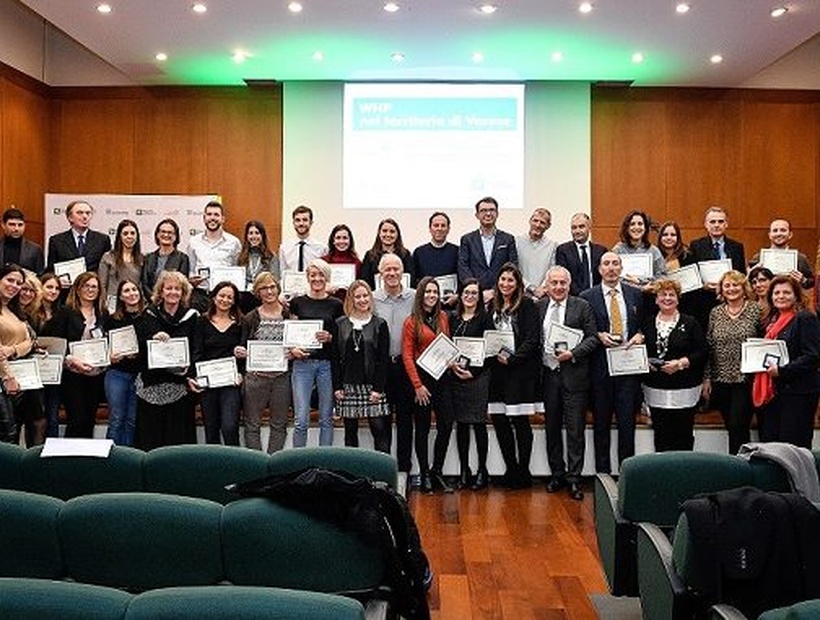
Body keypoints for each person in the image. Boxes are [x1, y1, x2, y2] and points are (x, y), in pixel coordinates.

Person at [580, 252, 645, 473]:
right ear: (599, 269)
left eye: (615, 263)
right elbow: (581, 329)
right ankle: (603, 477)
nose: (611, 268)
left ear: (621, 268)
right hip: (600, 369)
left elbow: (644, 324)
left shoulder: (636, 294)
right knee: (601, 426)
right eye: (606, 264)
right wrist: (598, 335)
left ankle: (627, 477)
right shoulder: (587, 296)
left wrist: (641, 335)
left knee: (627, 426)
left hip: (628, 368)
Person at [539, 266, 598, 500]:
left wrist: (573, 353)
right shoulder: (539, 306)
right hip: (548, 377)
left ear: (569, 284)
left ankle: (574, 478)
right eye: (554, 283)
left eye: (563, 283)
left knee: (575, 430)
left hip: (575, 377)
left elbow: (593, 338)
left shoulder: (581, 306)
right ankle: (557, 474)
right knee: (552, 428)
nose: (558, 287)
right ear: (547, 285)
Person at [487, 262, 541, 488]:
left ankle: (523, 470)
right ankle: (511, 468)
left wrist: (513, 358)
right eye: (503, 279)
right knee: (500, 420)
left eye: (511, 280)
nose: (506, 284)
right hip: (497, 373)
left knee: (520, 421)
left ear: (518, 283)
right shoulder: (492, 306)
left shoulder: (527, 305)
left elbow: (532, 339)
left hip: (519, 372)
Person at [753, 275, 820, 449]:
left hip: (798, 393)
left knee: (792, 447)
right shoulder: (771, 321)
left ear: (796, 295)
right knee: (773, 446)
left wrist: (782, 370)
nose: (781, 296)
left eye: (786, 292)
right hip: (775, 393)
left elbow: (812, 356)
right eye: (776, 293)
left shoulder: (805, 318)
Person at [135, 270, 199, 450]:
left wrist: (189, 373)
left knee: (177, 443)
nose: (173, 292)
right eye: (168, 288)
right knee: (150, 441)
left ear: (183, 292)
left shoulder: (192, 317)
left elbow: (196, 349)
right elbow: (139, 348)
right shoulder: (148, 314)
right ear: (161, 292)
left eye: (177, 289)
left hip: (179, 386)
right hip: (152, 384)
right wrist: (152, 339)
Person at [641, 278, 707, 452]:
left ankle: (684, 468)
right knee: (661, 434)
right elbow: (641, 351)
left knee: (684, 434)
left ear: (678, 299)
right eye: (663, 295)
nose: (667, 298)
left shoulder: (690, 322)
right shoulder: (647, 323)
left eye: (672, 295)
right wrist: (646, 362)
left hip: (684, 389)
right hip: (655, 389)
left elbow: (702, 352)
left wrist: (681, 363)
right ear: (656, 299)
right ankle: (663, 469)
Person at [442, 278, 494, 490]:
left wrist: (473, 372)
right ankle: (465, 469)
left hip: (478, 378)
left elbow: (491, 352)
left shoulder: (485, 319)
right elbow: (446, 345)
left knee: (479, 424)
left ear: (479, 296)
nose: (470, 296)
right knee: (462, 424)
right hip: (456, 377)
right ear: (460, 295)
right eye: (466, 292)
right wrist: (453, 366)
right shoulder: (451, 318)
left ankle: (482, 470)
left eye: (474, 293)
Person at [401, 276, 452, 493]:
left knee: (446, 424)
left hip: (442, 378)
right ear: (420, 295)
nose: (432, 295)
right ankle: (424, 474)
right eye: (428, 292)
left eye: (435, 292)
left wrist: (451, 361)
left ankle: (437, 470)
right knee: (421, 429)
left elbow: (446, 345)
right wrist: (417, 385)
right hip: (422, 381)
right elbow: (407, 356)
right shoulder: (411, 321)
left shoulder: (443, 317)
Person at [702, 270, 760, 455]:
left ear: (744, 288)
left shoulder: (755, 309)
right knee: (731, 426)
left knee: (738, 425)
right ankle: (742, 460)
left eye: (736, 284)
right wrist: (707, 378)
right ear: (721, 290)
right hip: (721, 379)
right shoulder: (716, 312)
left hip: (746, 379)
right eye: (727, 285)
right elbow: (710, 345)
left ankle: (739, 464)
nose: (731, 289)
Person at [288, 258, 343, 447]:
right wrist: (293, 349)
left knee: (326, 419)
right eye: (313, 275)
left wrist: (330, 337)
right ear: (307, 277)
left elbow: (341, 336)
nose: (317, 279)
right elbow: (290, 332)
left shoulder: (336, 304)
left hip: (326, 364)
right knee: (301, 420)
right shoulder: (297, 302)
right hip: (302, 364)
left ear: (327, 277)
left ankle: (324, 461)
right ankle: (297, 461)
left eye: (321, 275)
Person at [333, 280, 392, 453]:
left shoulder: (380, 324)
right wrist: (337, 386)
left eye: (365, 295)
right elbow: (335, 358)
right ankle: (353, 470)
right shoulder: (340, 324)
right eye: (357, 296)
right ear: (351, 299)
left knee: (379, 429)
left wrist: (378, 388)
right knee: (350, 432)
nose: (362, 300)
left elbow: (383, 359)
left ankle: (382, 469)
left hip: (372, 386)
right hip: (348, 386)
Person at [237, 272, 291, 453]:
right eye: (263, 288)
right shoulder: (250, 318)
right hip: (255, 378)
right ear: (257, 292)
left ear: (278, 288)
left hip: (281, 378)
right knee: (252, 424)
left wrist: (294, 351)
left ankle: (274, 462)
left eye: (272, 287)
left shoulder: (289, 314)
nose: (269, 291)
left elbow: (296, 342)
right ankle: (257, 464)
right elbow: (242, 345)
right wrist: (241, 352)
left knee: (279, 424)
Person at [50, 271, 106, 438]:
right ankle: (70, 454)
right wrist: (70, 359)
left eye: (94, 287)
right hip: (72, 374)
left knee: (89, 419)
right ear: (78, 289)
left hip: (95, 374)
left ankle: (86, 454)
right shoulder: (65, 312)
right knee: (76, 419)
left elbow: (108, 340)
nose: (90, 290)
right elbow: (54, 342)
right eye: (86, 286)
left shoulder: (103, 313)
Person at [373, 253, 415, 474]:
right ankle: (384, 471)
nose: (391, 273)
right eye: (387, 269)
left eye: (395, 269)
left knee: (406, 421)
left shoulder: (414, 297)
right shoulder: (371, 299)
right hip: (381, 369)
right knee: (381, 422)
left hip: (406, 367)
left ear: (402, 272)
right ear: (380, 273)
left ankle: (404, 471)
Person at [190, 281, 243, 446]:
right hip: (208, 383)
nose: (225, 300)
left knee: (229, 426)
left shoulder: (240, 323)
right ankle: (213, 462)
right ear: (214, 297)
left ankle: (235, 461)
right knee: (211, 428)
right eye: (222, 295)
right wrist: (196, 377)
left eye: (230, 297)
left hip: (231, 383)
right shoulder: (201, 321)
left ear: (234, 301)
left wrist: (241, 373)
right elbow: (197, 352)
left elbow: (243, 354)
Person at [0, 264, 43, 445]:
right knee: (7, 433)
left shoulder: (13, 310)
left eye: (18, 283)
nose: (14, 286)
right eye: (10, 280)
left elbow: (29, 342)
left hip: (16, 379)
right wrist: (7, 377)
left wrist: (13, 350)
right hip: (5, 378)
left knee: (13, 431)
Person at [688, 206, 746, 329]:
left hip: (730, 300)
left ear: (726, 224)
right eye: (712, 222)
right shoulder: (696, 246)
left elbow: (741, 274)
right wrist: (703, 285)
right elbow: (692, 276)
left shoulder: (737, 247)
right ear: (706, 224)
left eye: (720, 221)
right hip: (704, 300)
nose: (716, 225)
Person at [103, 279, 145, 446]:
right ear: (120, 296)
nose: (132, 293)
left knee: (132, 419)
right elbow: (103, 347)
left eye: (134, 289)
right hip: (117, 373)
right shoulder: (112, 320)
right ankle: (112, 456)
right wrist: (110, 356)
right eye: (126, 291)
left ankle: (128, 456)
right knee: (116, 418)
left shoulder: (148, 318)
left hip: (139, 375)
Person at [458, 196, 518, 302]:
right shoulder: (467, 239)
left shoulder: (508, 239)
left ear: (497, 214)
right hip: (474, 296)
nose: (488, 214)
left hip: (502, 295)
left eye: (492, 210)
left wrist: (495, 291)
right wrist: (476, 290)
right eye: (483, 211)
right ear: (477, 215)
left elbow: (512, 266)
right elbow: (463, 267)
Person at [186, 200, 241, 311]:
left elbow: (237, 268)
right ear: (204, 218)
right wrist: (192, 280)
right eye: (209, 214)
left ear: (222, 219)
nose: (212, 218)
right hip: (200, 296)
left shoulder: (234, 242)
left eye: (216, 215)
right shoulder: (193, 242)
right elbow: (191, 269)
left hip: (225, 298)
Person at [33, 273, 63, 437]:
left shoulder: (63, 312)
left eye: (57, 288)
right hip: (34, 370)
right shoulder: (30, 312)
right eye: (49, 287)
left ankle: (52, 450)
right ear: (40, 287)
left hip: (54, 373)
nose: (53, 291)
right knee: (36, 416)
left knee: (53, 416)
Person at [46, 200, 112, 275]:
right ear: (70, 217)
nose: (85, 216)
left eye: (88, 213)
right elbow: (51, 270)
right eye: (80, 213)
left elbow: (107, 269)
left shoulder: (102, 240)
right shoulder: (56, 241)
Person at [748, 218, 814, 291]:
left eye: (783, 230)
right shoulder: (759, 257)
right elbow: (748, 283)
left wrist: (803, 280)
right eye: (775, 230)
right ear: (769, 235)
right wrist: (750, 274)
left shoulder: (800, 258)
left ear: (790, 234)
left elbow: (812, 282)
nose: (779, 234)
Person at [555, 213, 607, 297]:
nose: (577, 231)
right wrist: (582, 296)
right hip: (573, 298)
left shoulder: (601, 251)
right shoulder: (563, 250)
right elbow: (563, 277)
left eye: (581, 227)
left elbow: (604, 276)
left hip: (597, 297)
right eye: (574, 227)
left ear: (589, 228)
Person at [413, 212, 460, 303]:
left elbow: (462, 278)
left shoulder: (457, 251)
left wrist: (457, 296)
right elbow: (415, 281)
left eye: (443, 226)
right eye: (436, 225)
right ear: (430, 229)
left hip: (451, 305)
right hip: (427, 304)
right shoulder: (419, 252)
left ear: (448, 229)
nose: (439, 229)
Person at [612, 210, 666, 285]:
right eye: (632, 224)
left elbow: (663, 276)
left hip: (649, 291)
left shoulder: (654, 251)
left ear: (645, 228)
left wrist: (645, 283)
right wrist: (641, 288)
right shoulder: (618, 250)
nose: (636, 227)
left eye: (640, 224)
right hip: (625, 291)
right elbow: (613, 275)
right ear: (627, 228)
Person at [141, 218, 191, 299]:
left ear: (175, 236)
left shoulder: (182, 258)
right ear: (157, 234)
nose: (166, 235)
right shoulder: (148, 258)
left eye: (170, 232)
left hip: (173, 301)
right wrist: (154, 298)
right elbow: (144, 283)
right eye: (163, 232)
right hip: (151, 301)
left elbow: (182, 284)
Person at [98, 219, 143, 308]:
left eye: (132, 233)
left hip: (134, 305)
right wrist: (102, 305)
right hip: (112, 305)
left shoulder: (142, 259)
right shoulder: (108, 257)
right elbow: (102, 285)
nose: (129, 236)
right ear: (119, 236)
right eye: (125, 233)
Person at [237, 220, 279, 313]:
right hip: (244, 299)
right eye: (250, 233)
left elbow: (275, 279)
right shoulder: (240, 257)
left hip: (264, 298)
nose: (254, 236)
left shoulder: (271, 257)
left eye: (257, 233)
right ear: (246, 236)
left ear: (262, 236)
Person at [360, 218, 415, 289]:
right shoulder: (370, 255)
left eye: (392, 231)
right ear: (379, 233)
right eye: (384, 231)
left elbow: (412, 280)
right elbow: (365, 282)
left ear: (397, 234)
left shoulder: (405, 255)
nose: (388, 234)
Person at [516, 207, 557, 299]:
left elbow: (552, 270)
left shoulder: (553, 246)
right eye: (535, 220)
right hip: (520, 295)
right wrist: (531, 288)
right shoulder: (517, 242)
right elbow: (515, 269)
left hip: (543, 296)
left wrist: (542, 289)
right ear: (530, 221)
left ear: (548, 226)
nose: (538, 225)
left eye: (542, 222)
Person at [279, 205, 327, 273]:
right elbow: (282, 272)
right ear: (293, 223)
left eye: (305, 220)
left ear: (311, 223)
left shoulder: (321, 248)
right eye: (297, 220)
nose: (301, 223)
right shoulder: (284, 248)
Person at [322, 223, 362, 302]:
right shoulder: (324, 262)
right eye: (338, 238)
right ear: (333, 241)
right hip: (327, 304)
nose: (341, 241)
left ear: (350, 241)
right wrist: (325, 289)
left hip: (350, 304)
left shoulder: (357, 263)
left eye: (345, 238)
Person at [0, 208, 44, 274]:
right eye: (12, 224)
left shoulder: (35, 250)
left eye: (20, 225)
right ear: (3, 225)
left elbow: (40, 275)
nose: (16, 229)